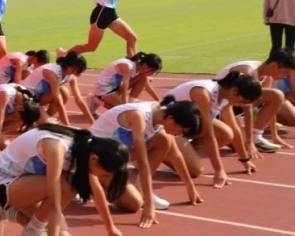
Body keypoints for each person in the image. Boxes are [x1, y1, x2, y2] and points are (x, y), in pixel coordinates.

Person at [0, 124, 130, 236]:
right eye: (106, 174)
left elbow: (96, 192)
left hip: (29, 184)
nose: (104, 178)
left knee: (63, 234)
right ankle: (31, 231)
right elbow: (54, 200)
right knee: (69, 186)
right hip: (6, 184)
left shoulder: (86, 148)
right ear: (94, 159)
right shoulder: (57, 148)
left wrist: (111, 229)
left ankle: (2, 210)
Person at [88, 99, 203, 228]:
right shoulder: (139, 116)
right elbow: (143, 162)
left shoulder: (162, 116)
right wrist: (149, 205)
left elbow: (175, 154)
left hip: (116, 156)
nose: (179, 134)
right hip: (96, 159)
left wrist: (190, 186)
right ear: (171, 119)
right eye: (181, 130)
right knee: (134, 204)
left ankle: (140, 190)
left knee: (164, 140)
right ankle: (84, 178)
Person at [164, 72, 262, 186]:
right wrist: (219, 170)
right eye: (243, 102)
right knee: (195, 171)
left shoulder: (225, 97)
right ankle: (160, 151)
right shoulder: (204, 93)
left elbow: (235, 129)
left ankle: (183, 153)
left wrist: (245, 160)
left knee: (226, 133)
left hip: (182, 127)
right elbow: (209, 136)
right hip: (165, 128)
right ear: (235, 91)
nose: (241, 106)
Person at [213, 53, 295, 153]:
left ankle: (256, 136)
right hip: (220, 108)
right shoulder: (247, 73)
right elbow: (247, 108)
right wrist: (249, 141)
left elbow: (269, 104)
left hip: (236, 105)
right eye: (286, 72)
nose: (285, 76)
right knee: (240, 145)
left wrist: (275, 135)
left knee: (277, 95)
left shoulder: (267, 76)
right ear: (274, 66)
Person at [21, 52, 95, 126]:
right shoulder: (52, 72)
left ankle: (44, 120)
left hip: (37, 98)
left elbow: (79, 100)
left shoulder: (71, 77)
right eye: (79, 70)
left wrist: (93, 123)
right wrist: (68, 127)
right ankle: (39, 121)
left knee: (64, 92)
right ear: (70, 66)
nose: (79, 74)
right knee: (61, 92)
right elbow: (59, 103)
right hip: (25, 97)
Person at [88, 52, 164, 117]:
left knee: (143, 79)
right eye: (152, 71)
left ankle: (131, 105)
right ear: (145, 66)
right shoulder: (128, 66)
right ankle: (96, 100)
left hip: (115, 89)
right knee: (121, 112)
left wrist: (160, 102)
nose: (152, 74)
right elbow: (124, 86)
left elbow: (148, 87)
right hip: (104, 90)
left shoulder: (139, 70)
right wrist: (125, 106)